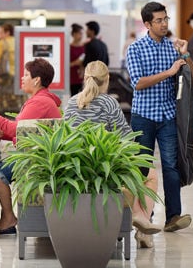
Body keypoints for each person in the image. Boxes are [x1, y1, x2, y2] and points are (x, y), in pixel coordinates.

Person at [63, 60, 161, 248]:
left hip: (76, 166)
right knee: (150, 174)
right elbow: (125, 138)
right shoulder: (109, 102)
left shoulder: (72, 102)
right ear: (107, 79)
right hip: (102, 167)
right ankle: (141, 221)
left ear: (85, 79)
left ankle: (140, 222)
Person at [125, 1, 193, 232]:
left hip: (168, 116)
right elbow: (138, 83)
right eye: (159, 20)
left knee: (171, 166)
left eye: (166, 19)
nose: (164, 23)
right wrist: (168, 72)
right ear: (147, 24)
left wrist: (185, 54)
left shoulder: (172, 47)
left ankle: (173, 217)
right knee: (142, 169)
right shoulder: (135, 49)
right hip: (143, 116)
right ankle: (141, 215)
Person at [0, 58, 62, 234]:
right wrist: (5, 132)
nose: (22, 78)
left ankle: (8, 219)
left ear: (37, 80)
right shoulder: (43, 99)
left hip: (35, 158)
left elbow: (17, 129)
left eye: (26, 75)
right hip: (36, 153)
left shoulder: (39, 102)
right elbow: (23, 131)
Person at [0, 23, 25, 113]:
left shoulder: (2, 43)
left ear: (7, 33)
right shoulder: (17, 41)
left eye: (1, 32)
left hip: (5, 76)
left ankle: (6, 117)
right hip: (18, 73)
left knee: (4, 98)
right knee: (16, 96)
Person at [69, 23, 85, 96]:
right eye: (80, 33)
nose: (81, 36)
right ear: (74, 34)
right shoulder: (69, 48)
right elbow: (64, 65)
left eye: (82, 34)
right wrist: (75, 63)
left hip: (83, 79)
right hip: (72, 79)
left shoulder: (84, 47)